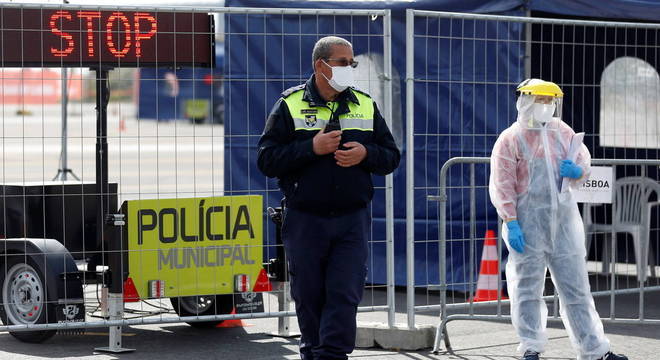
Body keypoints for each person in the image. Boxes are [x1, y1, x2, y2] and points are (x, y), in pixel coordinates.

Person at [257, 36, 400, 360]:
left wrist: (366, 153)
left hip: (352, 218)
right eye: (342, 62)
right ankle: (313, 352)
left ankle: (333, 356)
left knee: (344, 293)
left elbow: (391, 156)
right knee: (309, 294)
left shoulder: (364, 103)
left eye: (352, 63)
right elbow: (267, 160)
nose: (349, 68)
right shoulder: (290, 104)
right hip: (305, 217)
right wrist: (311, 148)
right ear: (320, 65)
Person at [489, 79, 628, 360]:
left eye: (550, 100)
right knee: (527, 288)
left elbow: (583, 161)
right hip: (527, 225)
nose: (547, 106)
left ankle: (595, 349)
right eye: (540, 100)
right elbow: (502, 184)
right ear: (525, 101)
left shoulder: (561, 131)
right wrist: (511, 221)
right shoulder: (510, 139)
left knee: (576, 289)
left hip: (564, 224)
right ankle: (531, 346)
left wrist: (578, 170)